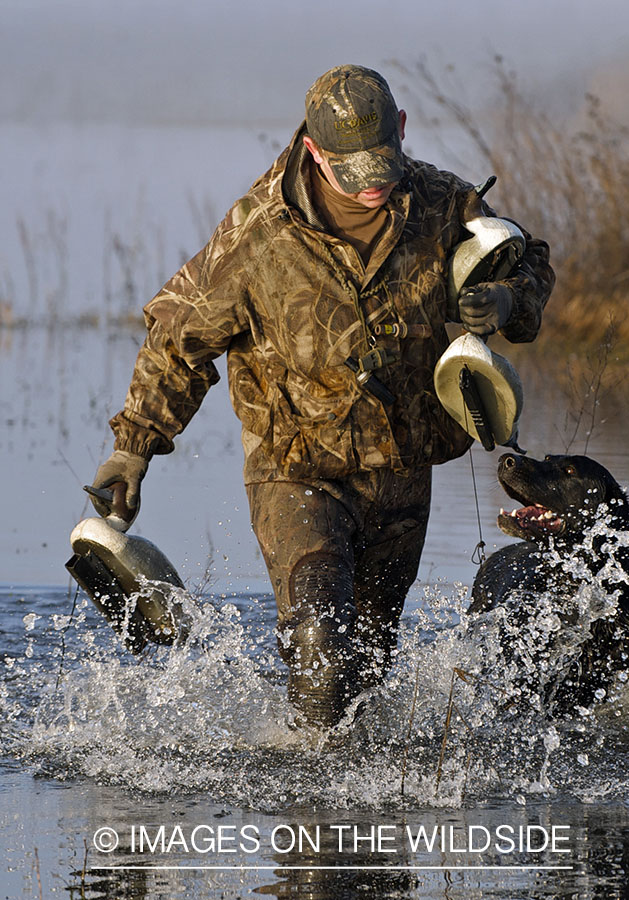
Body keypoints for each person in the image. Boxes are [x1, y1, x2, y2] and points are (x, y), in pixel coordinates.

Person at [90, 65, 555, 727]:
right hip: (297, 472)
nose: (372, 186)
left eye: (383, 165)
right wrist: (131, 453)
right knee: (321, 656)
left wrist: (510, 298)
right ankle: (307, 812)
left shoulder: (442, 203)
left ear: (402, 130)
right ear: (313, 148)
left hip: (401, 476)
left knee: (366, 674)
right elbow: (177, 341)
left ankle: (359, 816)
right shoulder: (257, 234)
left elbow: (525, 260)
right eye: (352, 171)